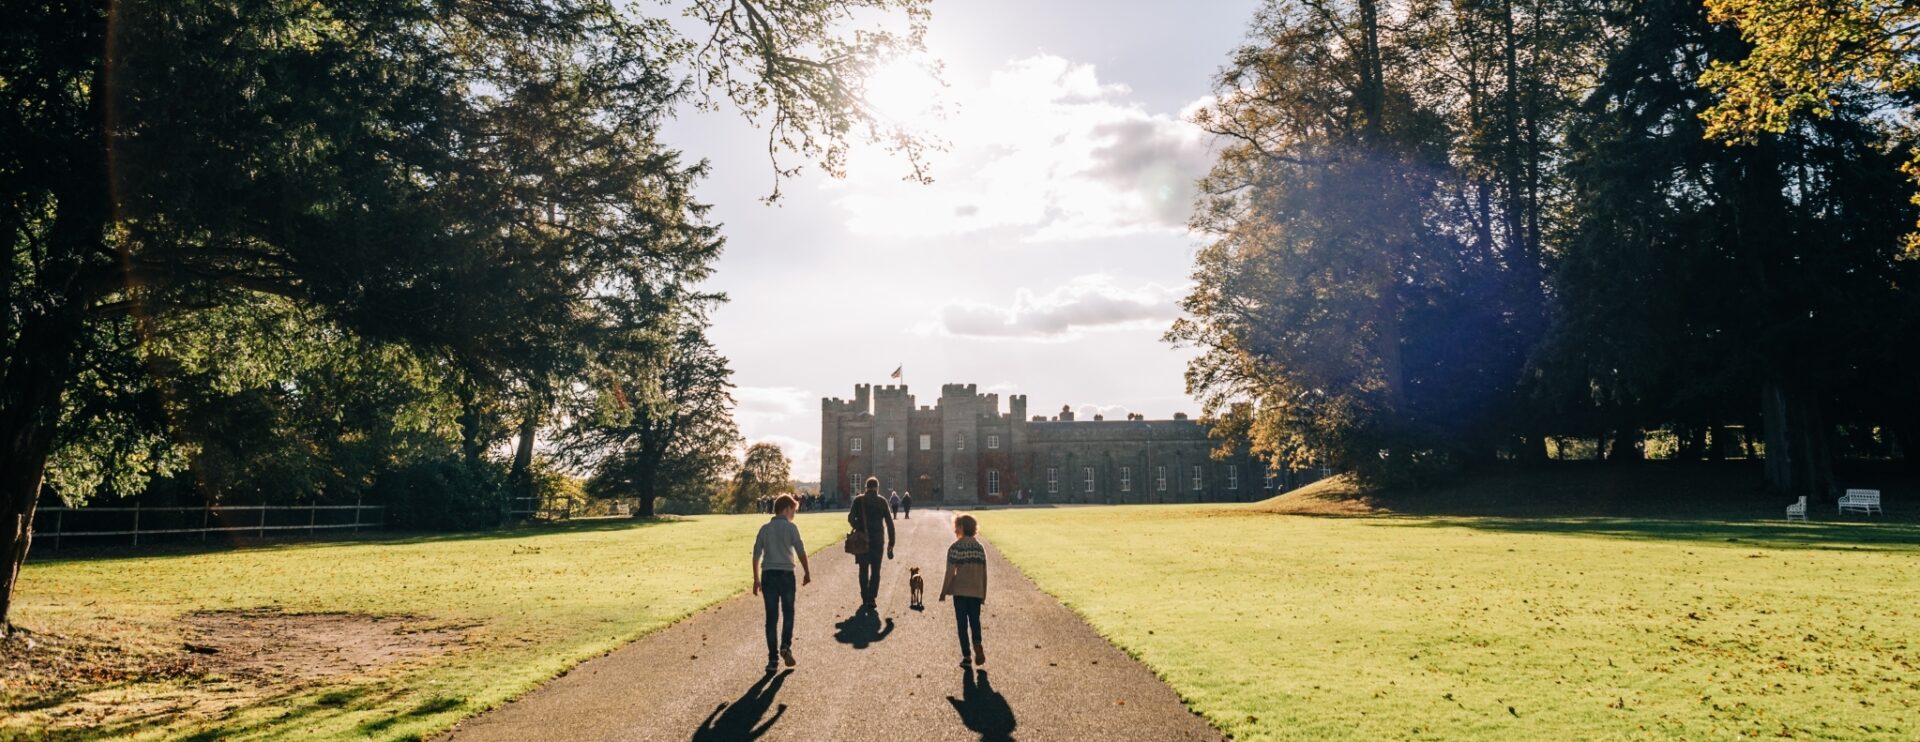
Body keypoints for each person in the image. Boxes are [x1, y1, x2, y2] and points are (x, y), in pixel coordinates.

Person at [753, 494, 811, 673]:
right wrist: (807, 572)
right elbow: (800, 551)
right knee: (788, 612)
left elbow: (756, 555)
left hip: (768, 575)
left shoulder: (764, 529)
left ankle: (772, 660)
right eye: (793, 510)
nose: (794, 514)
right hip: (786, 574)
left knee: (771, 618)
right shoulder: (791, 528)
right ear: (786, 509)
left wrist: (756, 579)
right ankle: (785, 645)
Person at [939, 513, 988, 667]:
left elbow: (949, 572)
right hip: (976, 591)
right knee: (975, 621)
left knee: (962, 624)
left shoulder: (955, 548)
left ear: (962, 528)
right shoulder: (979, 548)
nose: (954, 530)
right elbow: (984, 573)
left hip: (960, 591)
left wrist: (943, 591)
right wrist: (983, 594)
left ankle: (966, 656)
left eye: (956, 527)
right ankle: (977, 644)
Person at [848, 477, 895, 611]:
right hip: (877, 540)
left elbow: (850, 518)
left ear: (866, 487)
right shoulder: (882, 501)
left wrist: (859, 526)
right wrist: (891, 542)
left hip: (862, 539)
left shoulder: (858, 500)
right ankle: (872, 598)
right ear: (877, 488)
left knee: (863, 569)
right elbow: (889, 523)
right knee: (876, 570)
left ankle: (864, 597)